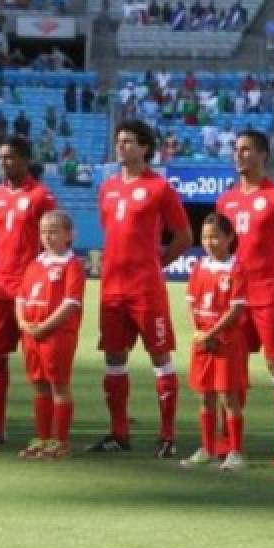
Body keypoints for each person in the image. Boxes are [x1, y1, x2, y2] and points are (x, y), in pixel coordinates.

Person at [88, 119, 193, 458]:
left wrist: (154, 264)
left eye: (130, 141)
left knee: (160, 358)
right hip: (112, 288)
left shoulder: (160, 188)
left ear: (145, 148)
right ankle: (119, 432)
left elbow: (183, 236)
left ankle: (167, 435)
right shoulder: (107, 188)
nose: (122, 146)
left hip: (145, 289)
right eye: (119, 141)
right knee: (114, 360)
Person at [216, 130, 274, 465]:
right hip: (235, 295)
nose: (239, 155)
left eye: (247, 150)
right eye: (236, 150)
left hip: (269, 293)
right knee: (233, 368)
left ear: (263, 155)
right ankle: (230, 439)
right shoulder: (225, 200)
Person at [0, 136, 57, 444]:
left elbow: (50, 244)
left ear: (26, 160)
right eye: (1, 157)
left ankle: (48, 431)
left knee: (39, 362)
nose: (4, 162)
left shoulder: (41, 196)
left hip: (30, 289)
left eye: (11, 157)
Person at [178, 213, 249, 472]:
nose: (209, 242)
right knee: (205, 396)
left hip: (226, 342)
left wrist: (212, 333)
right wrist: (198, 332)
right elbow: (191, 303)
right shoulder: (199, 267)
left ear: (230, 237)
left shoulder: (237, 268)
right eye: (205, 237)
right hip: (203, 342)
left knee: (228, 397)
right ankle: (207, 449)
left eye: (215, 237)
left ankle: (235, 452)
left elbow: (236, 310)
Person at [16, 210, 85, 460]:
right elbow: (21, 297)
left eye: (54, 231)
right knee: (39, 385)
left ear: (69, 235)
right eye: (44, 231)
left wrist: (45, 326)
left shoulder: (72, 265)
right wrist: (23, 321)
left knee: (59, 385)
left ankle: (60, 440)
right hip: (32, 333)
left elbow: (70, 303)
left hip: (57, 334)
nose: (48, 236)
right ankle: (42, 437)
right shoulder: (35, 264)